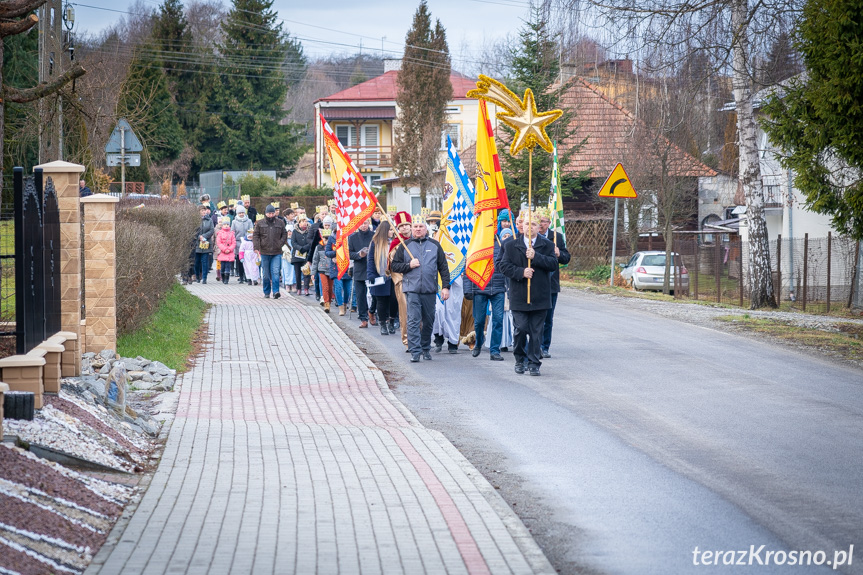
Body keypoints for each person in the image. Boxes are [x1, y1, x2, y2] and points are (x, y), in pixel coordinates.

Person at [497, 212, 558, 376]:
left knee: (536, 332)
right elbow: (503, 266)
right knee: (521, 329)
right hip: (519, 295)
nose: (529, 227)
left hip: (540, 295)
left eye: (533, 224)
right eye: (526, 224)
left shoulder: (547, 245)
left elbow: (553, 264)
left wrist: (536, 256)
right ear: (521, 226)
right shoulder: (511, 245)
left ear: (539, 227)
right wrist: (521, 272)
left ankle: (534, 363)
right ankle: (520, 359)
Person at [390, 216, 451, 363]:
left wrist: (445, 287)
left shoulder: (435, 245)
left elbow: (443, 268)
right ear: (412, 229)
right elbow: (395, 266)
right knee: (413, 320)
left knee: (429, 321)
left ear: (426, 229)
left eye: (420, 227)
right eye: (415, 227)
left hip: (430, 290)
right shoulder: (405, 246)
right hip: (412, 289)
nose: (418, 229)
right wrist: (409, 265)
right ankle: (415, 351)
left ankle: (425, 348)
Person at [464, 230, 507, 361]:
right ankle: (478, 343)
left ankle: (494, 350)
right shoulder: (476, 246)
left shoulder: (502, 245)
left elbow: (508, 266)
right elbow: (468, 269)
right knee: (479, 321)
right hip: (480, 288)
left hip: (498, 288)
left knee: (498, 320)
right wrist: (468, 289)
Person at [538, 209, 571, 358]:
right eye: (539, 221)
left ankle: (545, 346)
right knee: (535, 316)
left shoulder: (556, 237)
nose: (541, 224)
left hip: (551, 283)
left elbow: (566, 257)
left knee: (548, 318)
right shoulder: (533, 238)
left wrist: (559, 254)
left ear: (549, 223)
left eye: (544, 221)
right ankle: (534, 345)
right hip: (535, 283)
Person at [367, 221, 397, 336]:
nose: (392, 232)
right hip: (380, 275)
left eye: (393, 230)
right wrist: (371, 274)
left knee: (394, 299)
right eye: (390, 230)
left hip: (394, 275)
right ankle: (383, 324)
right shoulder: (375, 243)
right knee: (381, 300)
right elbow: (370, 259)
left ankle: (392, 321)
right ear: (385, 231)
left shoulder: (395, 242)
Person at [253, 205, 287, 299]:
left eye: (272, 213)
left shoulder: (280, 222)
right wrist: (256, 247)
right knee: (266, 274)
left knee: (276, 272)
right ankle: (267, 291)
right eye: (269, 213)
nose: (271, 215)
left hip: (277, 252)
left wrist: (280, 243)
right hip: (264, 252)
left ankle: (276, 291)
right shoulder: (260, 223)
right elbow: (256, 235)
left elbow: (284, 234)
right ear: (266, 213)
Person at [389, 212, 413, 348]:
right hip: (402, 281)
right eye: (401, 226)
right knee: (405, 312)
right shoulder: (395, 244)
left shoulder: (418, 240)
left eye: (406, 225)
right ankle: (407, 340)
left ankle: (419, 338)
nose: (404, 228)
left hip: (418, 282)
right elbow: (393, 264)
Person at [349, 218, 374, 327]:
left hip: (372, 267)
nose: (363, 226)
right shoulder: (353, 237)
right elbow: (349, 253)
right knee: (360, 295)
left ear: (368, 223)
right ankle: (363, 318)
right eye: (361, 223)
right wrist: (359, 255)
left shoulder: (374, 235)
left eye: (365, 223)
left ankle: (372, 311)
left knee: (375, 294)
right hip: (359, 267)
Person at [324, 224, 352, 316]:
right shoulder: (332, 238)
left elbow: (352, 251)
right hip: (336, 267)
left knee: (348, 289)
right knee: (338, 287)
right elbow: (327, 252)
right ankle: (340, 306)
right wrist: (336, 253)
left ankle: (345, 304)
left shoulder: (349, 237)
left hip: (347, 266)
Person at [312, 217, 335, 312]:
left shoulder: (333, 248)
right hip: (322, 269)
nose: (326, 242)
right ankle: (326, 304)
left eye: (328, 240)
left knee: (330, 288)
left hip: (331, 269)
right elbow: (315, 260)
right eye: (325, 240)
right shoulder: (319, 247)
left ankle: (329, 300)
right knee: (324, 286)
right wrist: (313, 273)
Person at [231, 205, 253, 284]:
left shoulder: (249, 221)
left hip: (247, 242)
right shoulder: (234, 222)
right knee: (239, 260)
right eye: (240, 213)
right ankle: (240, 276)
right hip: (238, 243)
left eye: (242, 213)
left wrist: (248, 237)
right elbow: (232, 232)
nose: (241, 214)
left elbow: (251, 230)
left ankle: (247, 276)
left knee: (247, 261)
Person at [291, 215, 312, 295]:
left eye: (306, 221)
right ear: (299, 223)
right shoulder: (295, 231)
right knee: (297, 273)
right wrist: (300, 248)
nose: (304, 223)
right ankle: (299, 288)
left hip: (306, 254)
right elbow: (293, 242)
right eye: (303, 221)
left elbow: (311, 241)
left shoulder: (309, 231)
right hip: (297, 255)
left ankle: (306, 288)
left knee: (306, 272)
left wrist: (305, 248)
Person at [194, 204, 215, 284]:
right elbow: (194, 230)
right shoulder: (195, 220)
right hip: (197, 243)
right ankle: (197, 276)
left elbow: (211, 230)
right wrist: (199, 237)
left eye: (204, 210)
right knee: (197, 262)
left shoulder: (209, 220)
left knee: (205, 261)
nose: (204, 212)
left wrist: (204, 236)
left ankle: (204, 277)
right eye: (202, 211)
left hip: (206, 243)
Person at [215, 217, 236, 284]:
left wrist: (229, 249)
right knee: (223, 265)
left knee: (228, 266)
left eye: (227, 224)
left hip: (229, 252)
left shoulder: (231, 233)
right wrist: (224, 249)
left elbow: (234, 243)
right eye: (225, 224)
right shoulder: (220, 233)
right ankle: (223, 276)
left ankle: (227, 278)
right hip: (222, 252)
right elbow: (219, 242)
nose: (226, 225)